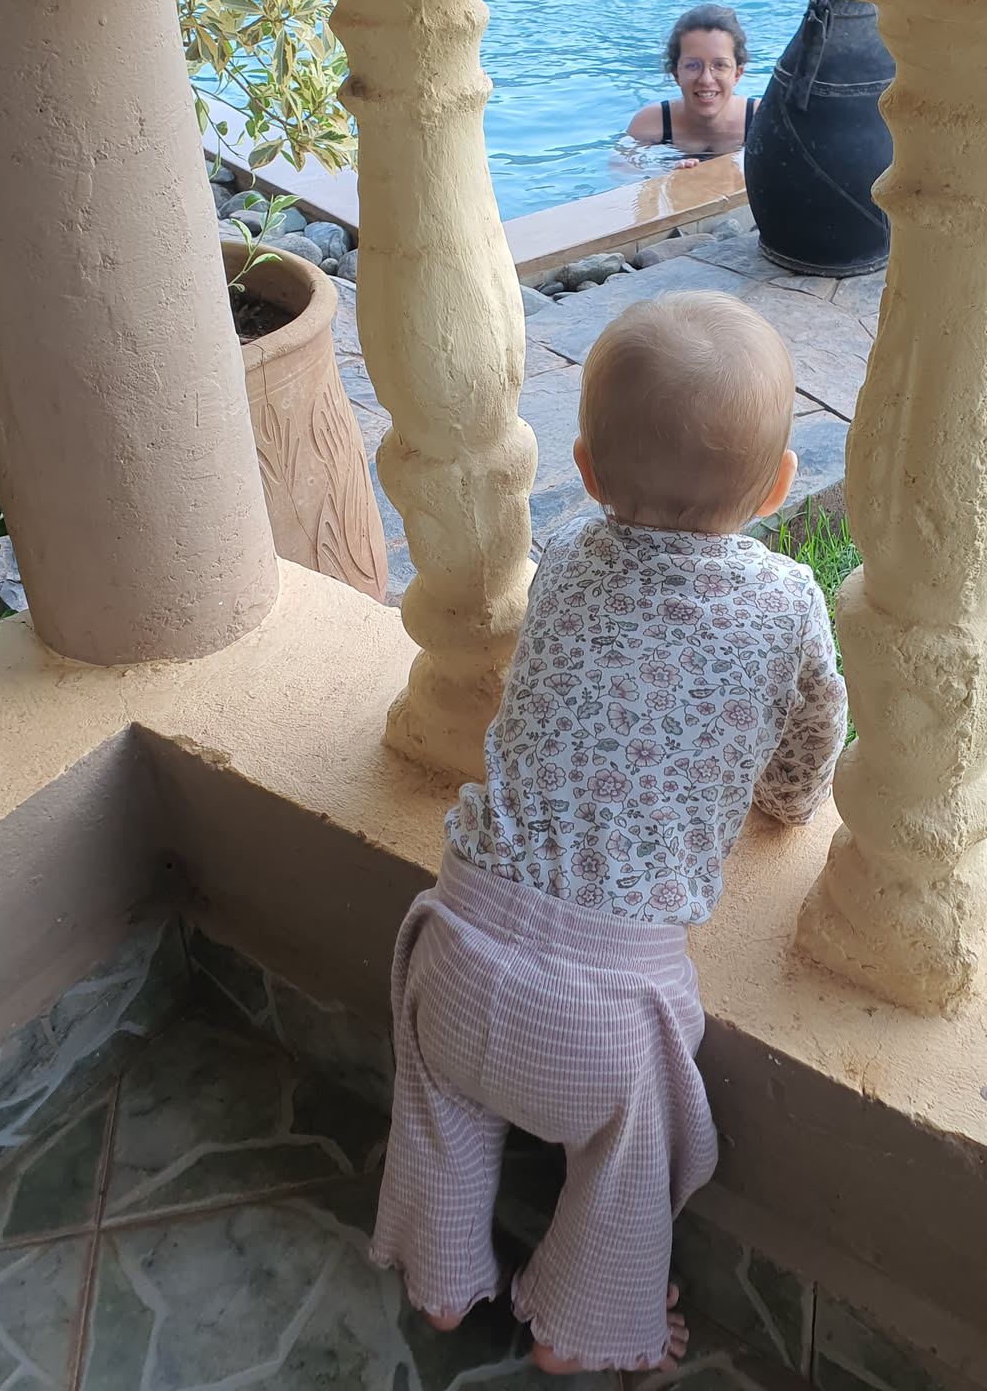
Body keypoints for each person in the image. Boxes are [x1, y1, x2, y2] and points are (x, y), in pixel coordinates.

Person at [371, 291, 848, 1374]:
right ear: (778, 486)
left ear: (585, 470)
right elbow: (813, 729)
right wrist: (786, 803)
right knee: (632, 1168)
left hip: (455, 948)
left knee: (441, 1113)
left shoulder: (570, 553)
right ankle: (578, 1326)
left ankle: (441, 1281)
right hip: (607, 1022)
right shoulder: (787, 601)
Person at [626, 4, 759, 167]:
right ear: (676, 74)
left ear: (737, 73)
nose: (706, 80)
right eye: (692, 66)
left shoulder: (761, 119)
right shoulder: (650, 125)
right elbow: (622, 172)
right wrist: (663, 172)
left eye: (720, 65)